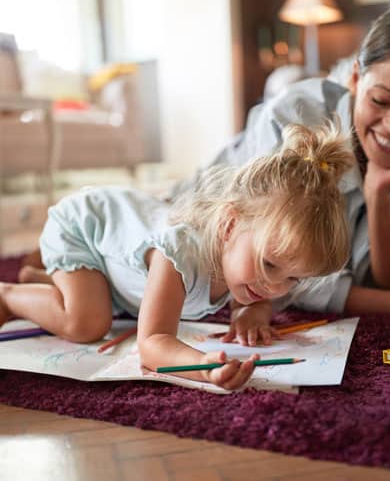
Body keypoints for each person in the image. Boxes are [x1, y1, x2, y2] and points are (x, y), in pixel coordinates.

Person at [172, 2, 390, 323]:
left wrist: (379, 195)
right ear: (355, 79)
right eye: (381, 100)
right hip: (183, 222)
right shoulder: (295, 114)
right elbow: (279, 280)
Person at [0, 122, 354, 390]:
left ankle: (45, 282)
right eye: (269, 265)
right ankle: (10, 294)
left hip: (118, 258)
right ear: (229, 225)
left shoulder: (246, 260)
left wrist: (252, 311)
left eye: (293, 278)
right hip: (84, 229)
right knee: (88, 323)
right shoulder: (179, 256)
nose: (275, 287)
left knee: (105, 302)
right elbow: (153, 343)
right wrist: (203, 366)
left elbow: (259, 294)